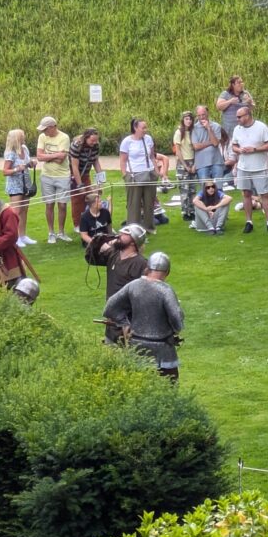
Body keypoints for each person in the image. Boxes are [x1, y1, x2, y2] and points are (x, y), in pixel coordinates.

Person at [103, 252, 183, 381]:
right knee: (169, 385)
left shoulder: (133, 285)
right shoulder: (165, 290)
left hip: (137, 346)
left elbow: (110, 307)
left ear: (148, 268)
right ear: (167, 272)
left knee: (139, 382)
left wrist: (125, 323)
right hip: (163, 348)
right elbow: (177, 319)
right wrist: (175, 327)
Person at [85, 222, 148, 338]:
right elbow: (91, 259)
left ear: (133, 242)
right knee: (111, 346)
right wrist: (95, 243)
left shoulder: (141, 264)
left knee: (128, 348)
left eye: (125, 234)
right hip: (111, 320)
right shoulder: (114, 254)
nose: (119, 235)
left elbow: (144, 296)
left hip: (129, 323)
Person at [230, 106, 268, 234]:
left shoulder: (261, 127)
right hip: (243, 167)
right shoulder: (237, 129)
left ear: (247, 115)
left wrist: (255, 149)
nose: (237, 119)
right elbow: (234, 146)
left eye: (239, 117)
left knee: (264, 194)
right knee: (246, 194)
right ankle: (249, 222)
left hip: (260, 167)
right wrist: (239, 150)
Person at [31, 116, 72, 243]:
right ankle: (51, 232)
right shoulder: (42, 137)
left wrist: (47, 156)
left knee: (62, 205)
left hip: (62, 175)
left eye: (45, 129)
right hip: (46, 175)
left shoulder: (64, 137)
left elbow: (61, 159)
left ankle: (61, 232)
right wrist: (56, 155)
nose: (44, 132)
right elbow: (39, 157)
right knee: (49, 204)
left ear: (53, 127)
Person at [117, 118, 156, 232]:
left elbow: (152, 156)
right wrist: (125, 175)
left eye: (146, 127)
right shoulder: (127, 141)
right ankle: (134, 229)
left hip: (149, 173)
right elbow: (123, 160)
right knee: (134, 204)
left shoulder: (148, 139)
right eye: (143, 128)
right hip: (133, 175)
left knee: (149, 203)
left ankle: (148, 228)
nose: (145, 130)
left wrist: (157, 171)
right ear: (135, 128)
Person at [2, 128, 36, 246]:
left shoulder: (24, 149)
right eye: (22, 135)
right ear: (17, 138)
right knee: (16, 212)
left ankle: (23, 235)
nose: (24, 137)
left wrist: (31, 163)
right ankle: (15, 237)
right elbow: (5, 171)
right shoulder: (11, 153)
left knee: (24, 210)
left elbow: (26, 163)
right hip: (15, 185)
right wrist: (17, 169)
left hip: (26, 183)